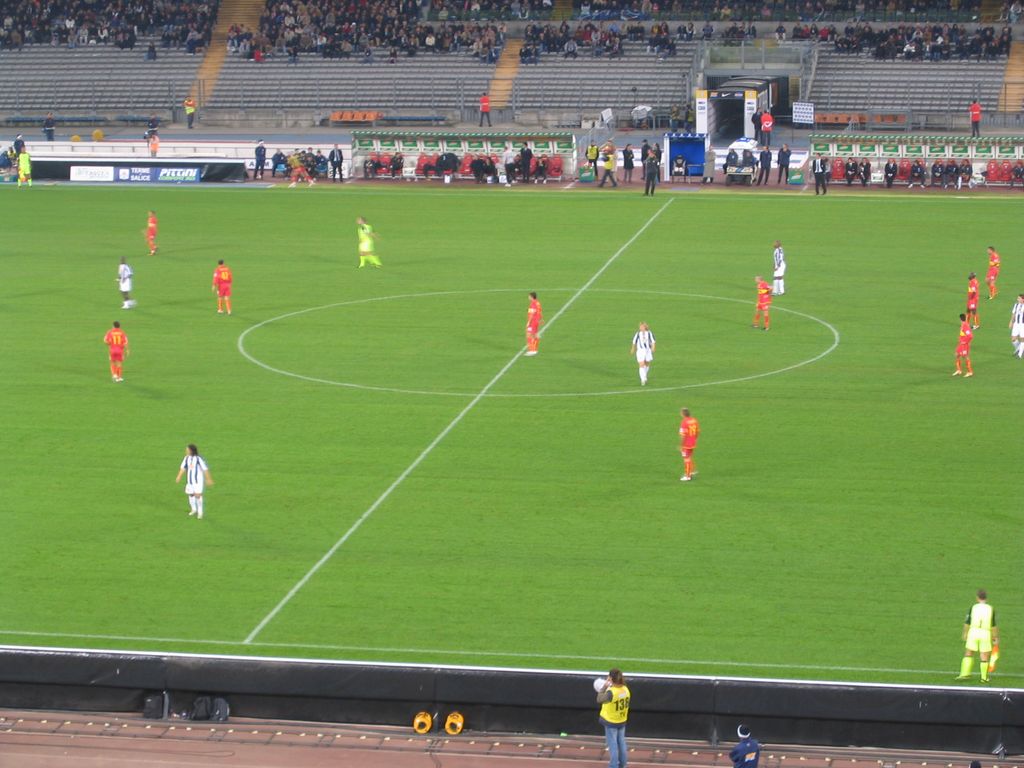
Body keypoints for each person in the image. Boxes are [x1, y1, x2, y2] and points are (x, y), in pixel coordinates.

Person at [956, 589, 998, 680]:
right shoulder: (990, 609)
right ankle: (984, 678)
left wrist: (965, 633)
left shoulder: (973, 607)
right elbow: (993, 625)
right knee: (984, 655)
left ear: (977, 597)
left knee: (969, 652)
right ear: (986, 598)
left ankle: (964, 674)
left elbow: (967, 622)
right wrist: (995, 637)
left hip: (973, 632)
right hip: (985, 633)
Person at [595, 669, 630, 768]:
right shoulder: (625, 689)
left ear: (610, 678)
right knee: (621, 743)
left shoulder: (611, 692)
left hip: (611, 722)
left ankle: (613, 766)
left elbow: (599, 699)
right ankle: (623, 765)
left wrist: (604, 687)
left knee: (613, 745)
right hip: (621, 720)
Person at [175, 444, 214, 520]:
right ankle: (193, 509)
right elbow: (183, 468)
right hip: (189, 482)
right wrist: (179, 476)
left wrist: (208, 479)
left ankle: (200, 512)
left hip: (198, 482)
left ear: (191, 451)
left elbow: (205, 469)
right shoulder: (186, 458)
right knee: (191, 494)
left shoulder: (199, 459)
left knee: (198, 495)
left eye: (187, 450)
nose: (186, 451)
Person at [678, 407, 699, 481]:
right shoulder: (694, 420)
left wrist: (681, 445)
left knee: (686, 459)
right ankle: (692, 471)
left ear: (682, 414)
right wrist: (695, 439)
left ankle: (687, 476)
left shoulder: (684, 422)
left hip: (686, 444)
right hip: (693, 442)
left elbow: (683, 435)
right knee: (689, 457)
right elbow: (697, 431)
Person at [953, 313, 974, 377]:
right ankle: (959, 370)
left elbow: (970, 336)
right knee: (956, 354)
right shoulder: (963, 325)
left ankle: (970, 372)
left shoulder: (965, 326)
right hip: (961, 344)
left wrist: (965, 342)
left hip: (964, 344)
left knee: (965, 357)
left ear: (960, 319)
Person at [525, 291, 542, 356]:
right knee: (534, 335)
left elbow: (532, 314)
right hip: (536, 321)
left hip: (533, 322)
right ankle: (534, 350)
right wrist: (540, 319)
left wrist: (528, 322)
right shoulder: (537, 303)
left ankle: (532, 350)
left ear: (532, 297)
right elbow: (539, 312)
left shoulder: (533, 304)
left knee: (529, 335)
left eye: (529, 296)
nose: (528, 297)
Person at [1010, 293, 1024, 359]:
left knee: (1022, 339)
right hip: (1016, 324)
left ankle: (1020, 354)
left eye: (1019, 298)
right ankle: (1019, 348)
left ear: (1023, 299)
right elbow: (1013, 314)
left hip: (1022, 325)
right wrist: (1011, 322)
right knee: (1013, 339)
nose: (1017, 299)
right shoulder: (1016, 305)